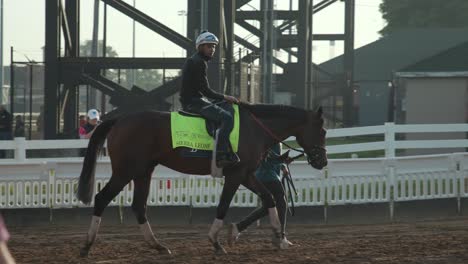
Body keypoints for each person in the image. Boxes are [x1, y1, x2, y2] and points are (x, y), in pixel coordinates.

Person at [179, 30, 240, 168]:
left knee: (223, 107)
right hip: (193, 103)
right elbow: (206, 91)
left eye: (214, 46)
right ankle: (220, 155)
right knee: (227, 118)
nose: (212, 49)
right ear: (200, 47)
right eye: (209, 46)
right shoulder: (199, 62)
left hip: (194, 100)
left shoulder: (196, 60)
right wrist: (226, 96)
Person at [229, 143, 293, 247]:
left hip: (263, 176)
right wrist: (282, 161)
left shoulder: (274, 139)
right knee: (281, 201)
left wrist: (282, 166)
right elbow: (266, 160)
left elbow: (273, 157)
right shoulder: (272, 139)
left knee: (268, 207)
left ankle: (239, 227)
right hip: (268, 175)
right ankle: (280, 237)